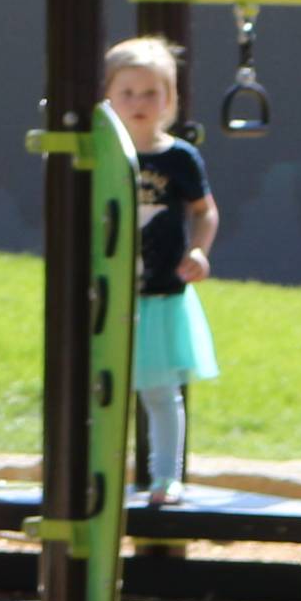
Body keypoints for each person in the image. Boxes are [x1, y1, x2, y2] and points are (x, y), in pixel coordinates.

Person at [104, 35, 219, 500]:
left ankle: (166, 477)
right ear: (108, 96)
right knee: (105, 390)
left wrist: (199, 250)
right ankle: (104, 476)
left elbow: (204, 209)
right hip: (111, 291)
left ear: (169, 99)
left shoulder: (178, 158)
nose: (138, 103)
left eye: (151, 93)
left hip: (161, 291)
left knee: (159, 390)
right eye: (127, 92)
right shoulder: (104, 154)